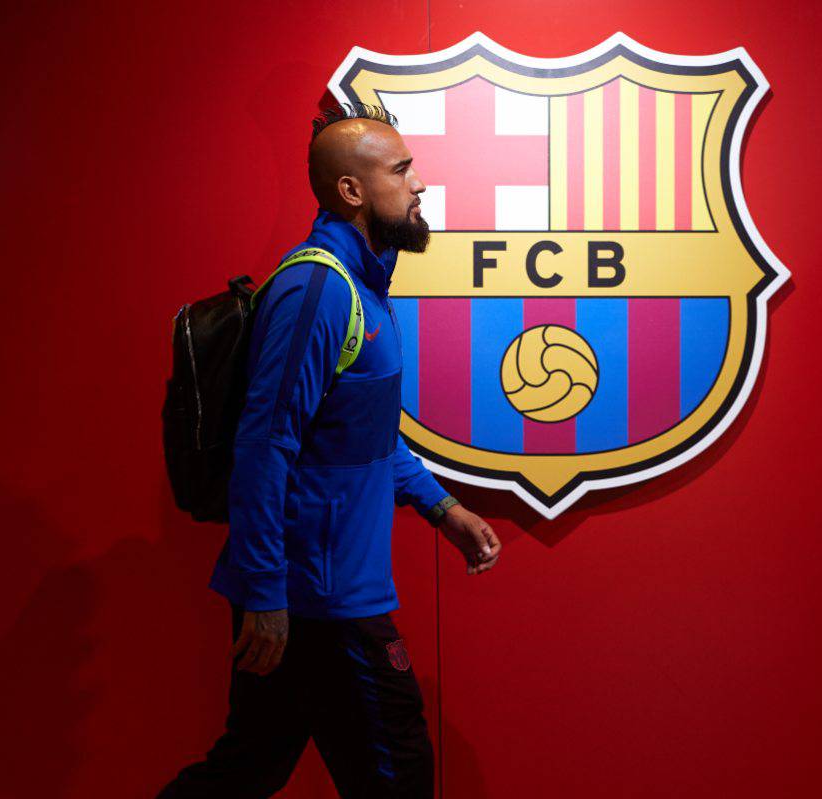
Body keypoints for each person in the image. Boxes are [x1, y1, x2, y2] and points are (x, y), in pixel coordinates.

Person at [156, 102, 501, 799]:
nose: (418, 184)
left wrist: (443, 508)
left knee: (244, 769)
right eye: (401, 170)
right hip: (317, 597)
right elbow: (265, 445)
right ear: (352, 190)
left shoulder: (367, 288)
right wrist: (263, 593)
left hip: (320, 588)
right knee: (398, 774)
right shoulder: (317, 289)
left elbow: (361, 433)